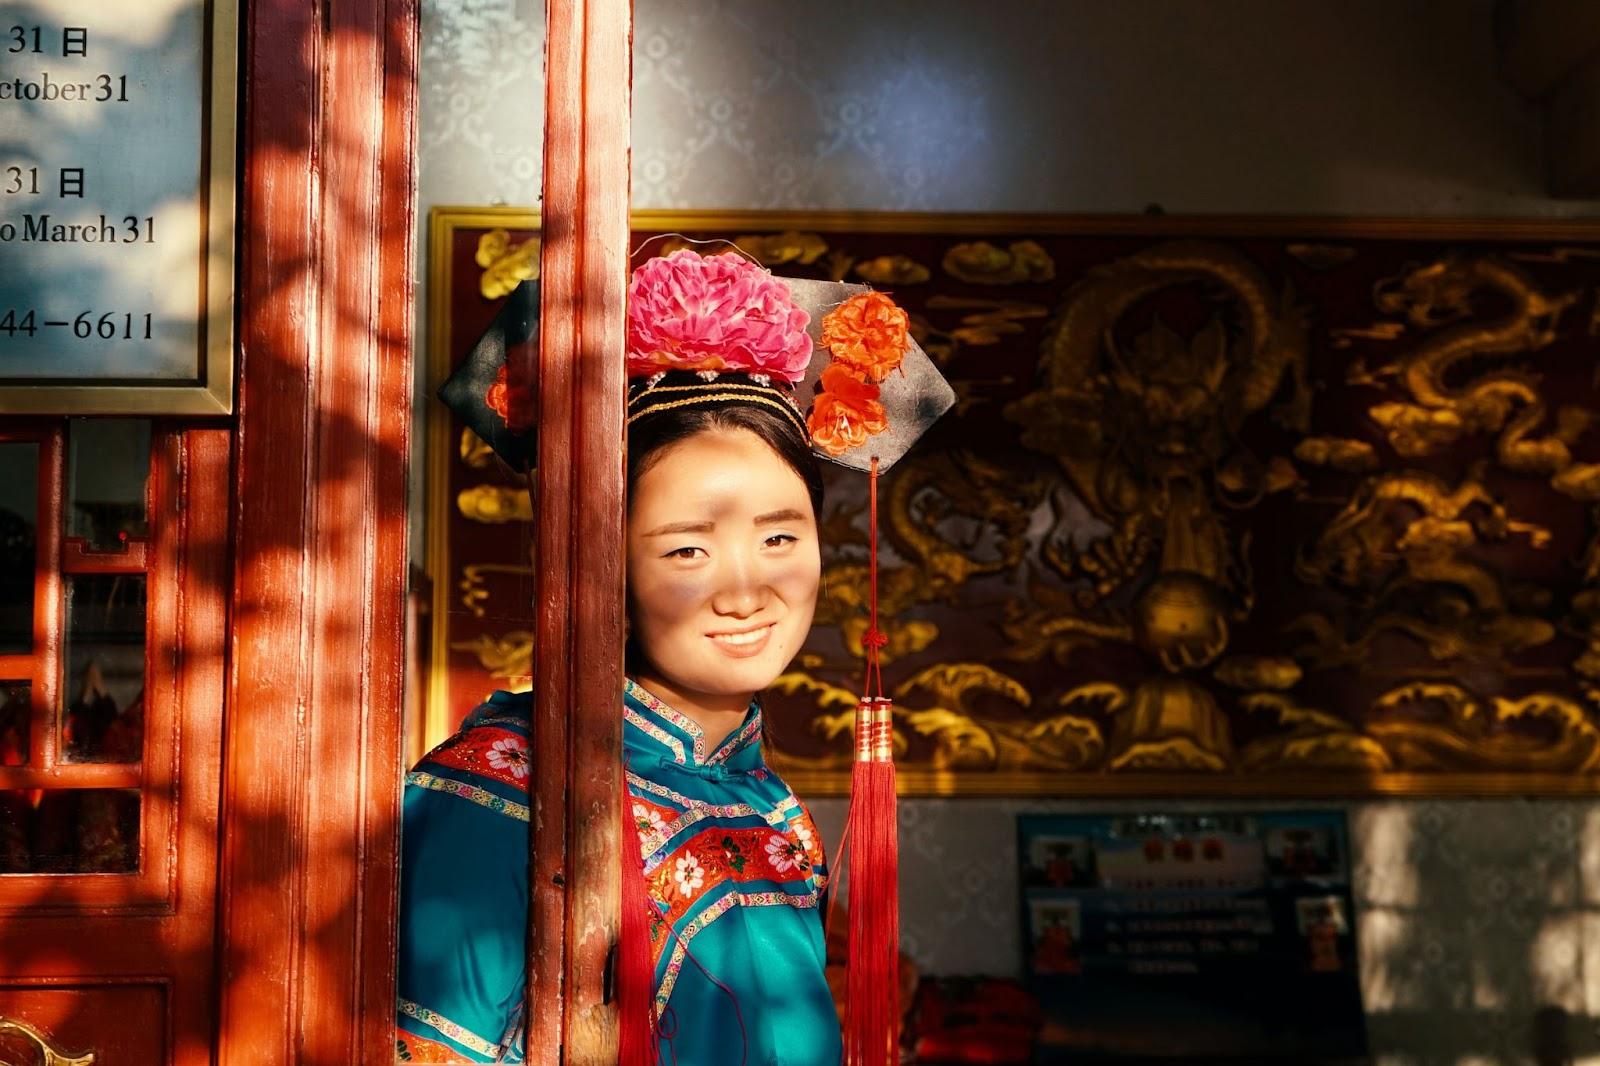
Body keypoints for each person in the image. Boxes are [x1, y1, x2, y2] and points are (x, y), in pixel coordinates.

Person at [397, 249, 951, 1063]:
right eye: (688, 550)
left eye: (779, 536)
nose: (745, 589)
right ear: (604, 564)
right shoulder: (501, 793)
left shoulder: (770, 807)